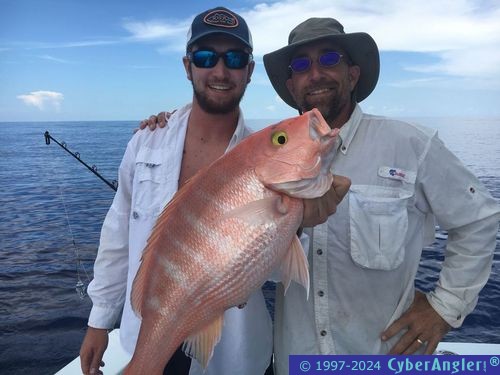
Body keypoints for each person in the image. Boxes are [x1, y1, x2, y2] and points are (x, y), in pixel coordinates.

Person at [80, 7, 350, 375]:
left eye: (235, 59)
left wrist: (297, 222)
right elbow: (117, 235)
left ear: (249, 71)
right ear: (188, 66)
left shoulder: (260, 155)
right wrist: (99, 320)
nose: (220, 71)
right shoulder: (146, 141)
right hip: (147, 333)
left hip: (234, 357)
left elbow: (270, 275)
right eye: (206, 58)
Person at [260, 17, 500, 375]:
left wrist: (444, 308)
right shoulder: (267, 159)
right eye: (300, 65)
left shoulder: (411, 144)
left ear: (353, 74)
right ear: (292, 85)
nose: (315, 74)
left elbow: (479, 218)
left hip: (384, 361)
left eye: (329, 59)